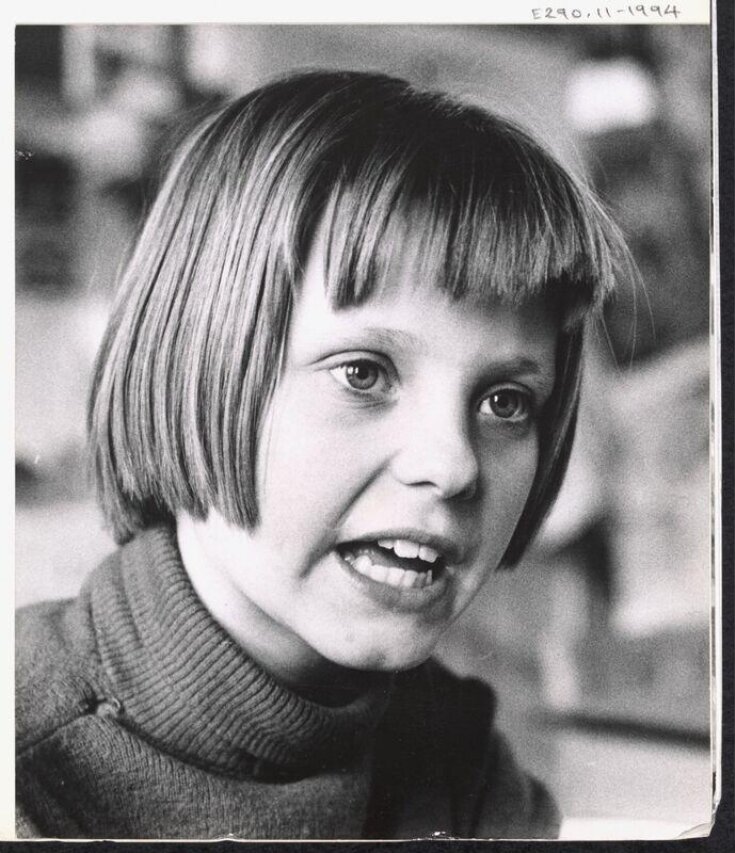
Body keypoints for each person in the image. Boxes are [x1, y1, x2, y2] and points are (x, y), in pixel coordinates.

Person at [15, 70, 627, 840]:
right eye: (362, 373)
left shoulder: (466, 766)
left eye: (505, 401)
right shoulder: (24, 771)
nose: (453, 464)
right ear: (196, 363)